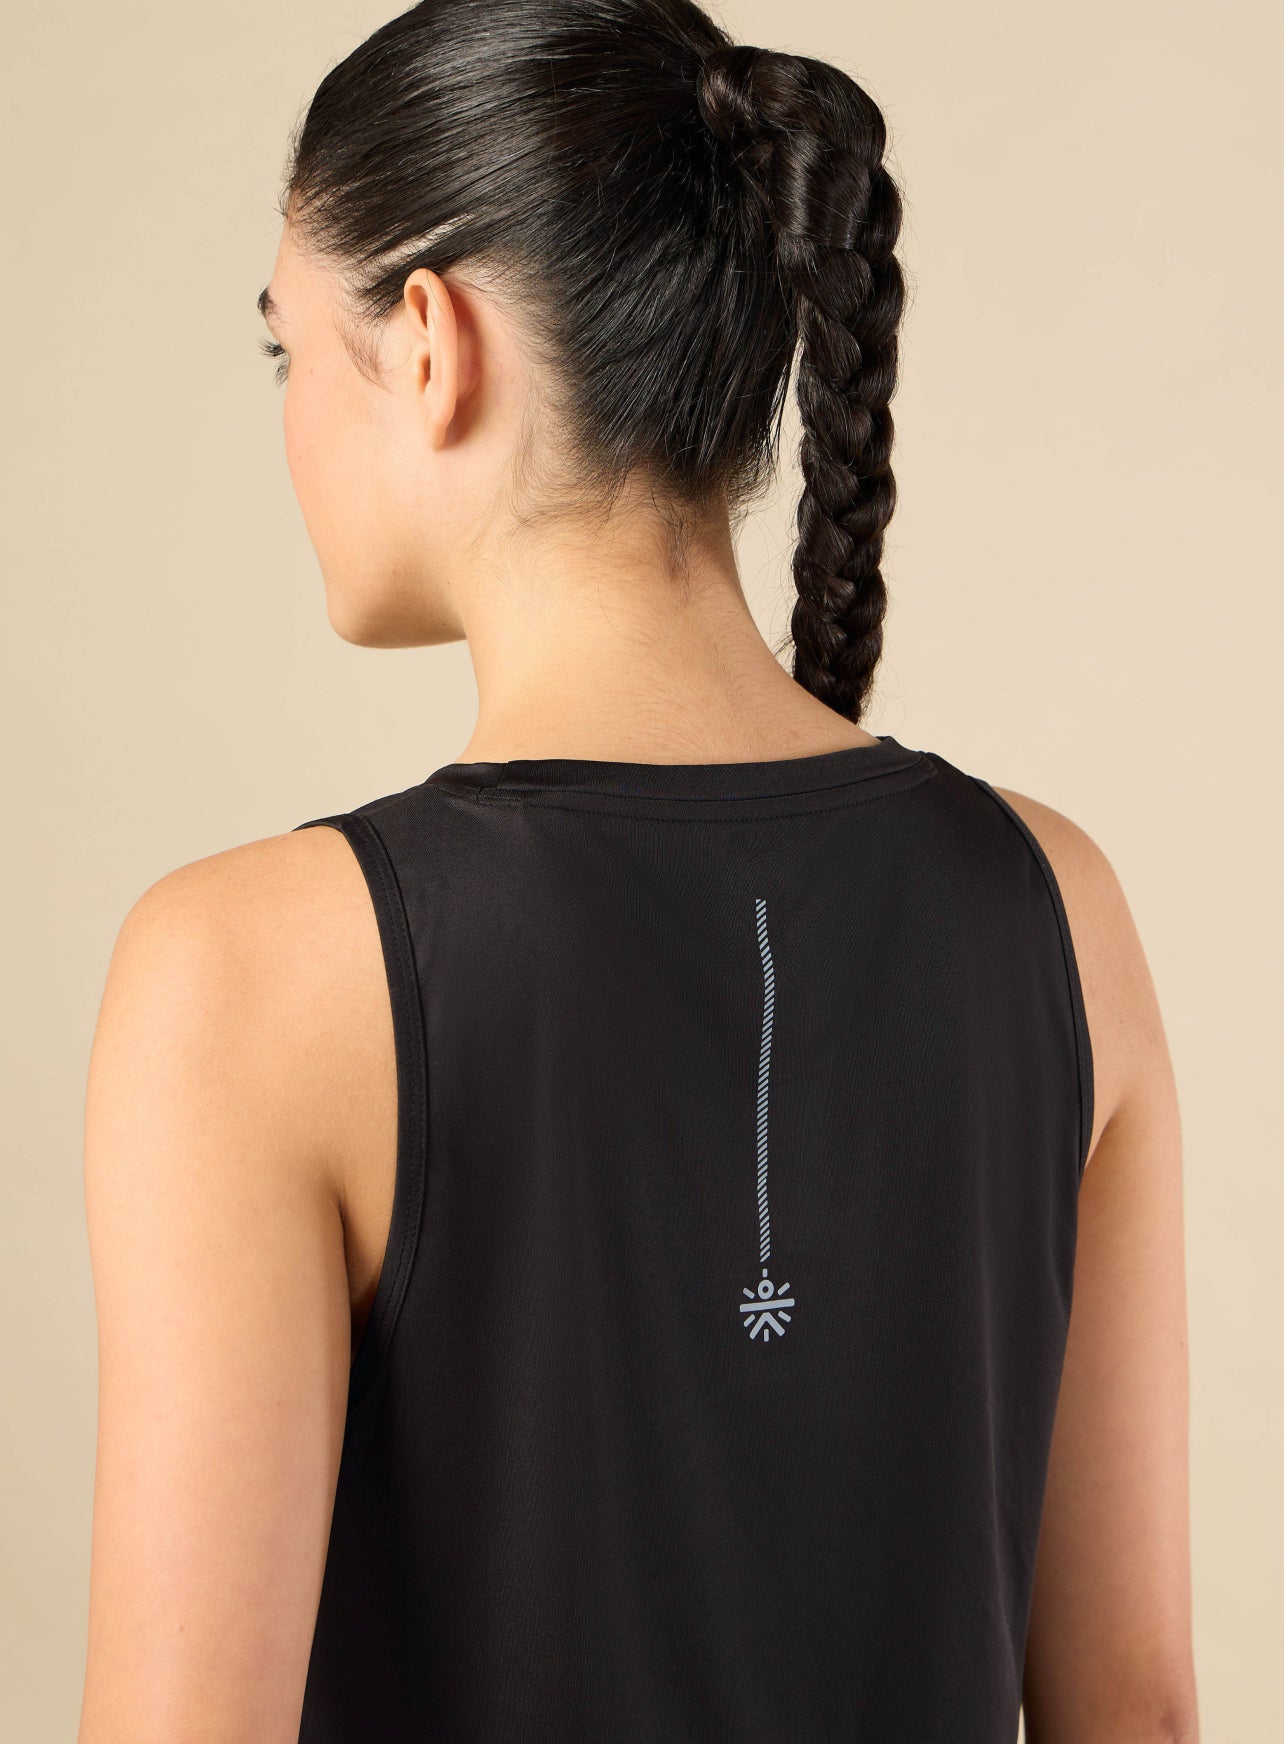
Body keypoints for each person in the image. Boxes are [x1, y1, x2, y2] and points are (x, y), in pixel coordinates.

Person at [77, 3, 1197, 1741]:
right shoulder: (1055, 905)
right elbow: (1139, 1717)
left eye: (285, 348)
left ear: (430, 341)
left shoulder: (247, 973)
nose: (287, 413)